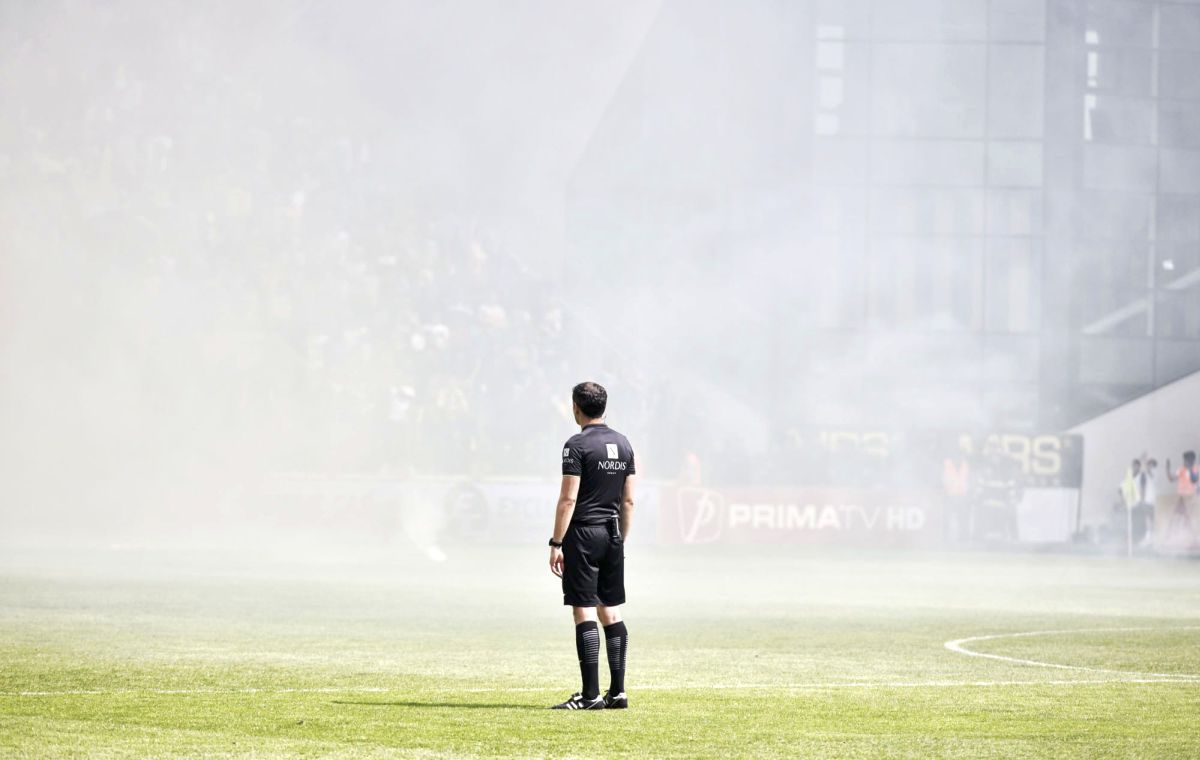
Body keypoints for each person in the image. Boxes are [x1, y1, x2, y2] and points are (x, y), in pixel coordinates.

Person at [548, 381, 637, 710]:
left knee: (583, 610)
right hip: (612, 533)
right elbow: (628, 501)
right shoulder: (625, 444)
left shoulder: (576, 445)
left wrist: (557, 542)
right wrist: (620, 540)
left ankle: (590, 696)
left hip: (583, 534)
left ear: (576, 408)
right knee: (610, 611)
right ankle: (618, 692)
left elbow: (568, 498)